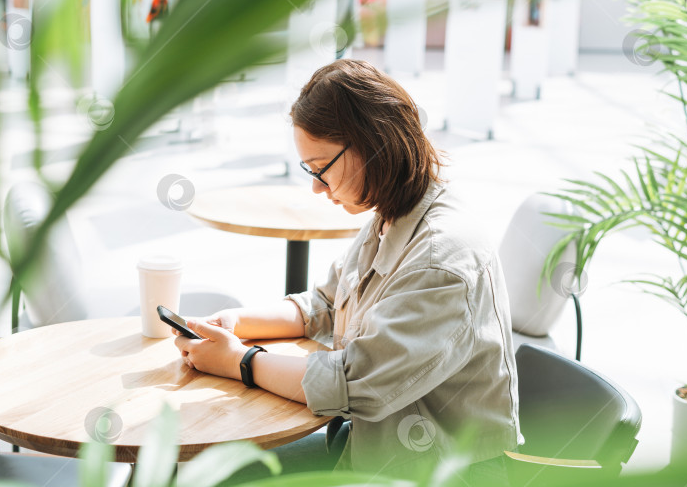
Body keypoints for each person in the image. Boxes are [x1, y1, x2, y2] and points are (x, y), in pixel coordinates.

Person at [174, 59, 520, 483]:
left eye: (320, 167)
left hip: (436, 473)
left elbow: (355, 384)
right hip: (379, 449)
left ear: (373, 144)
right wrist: (237, 323)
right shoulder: (394, 216)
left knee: (215, 473)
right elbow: (325, 302)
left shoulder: (439, 259)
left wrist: (240, 361)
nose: (316, 187)